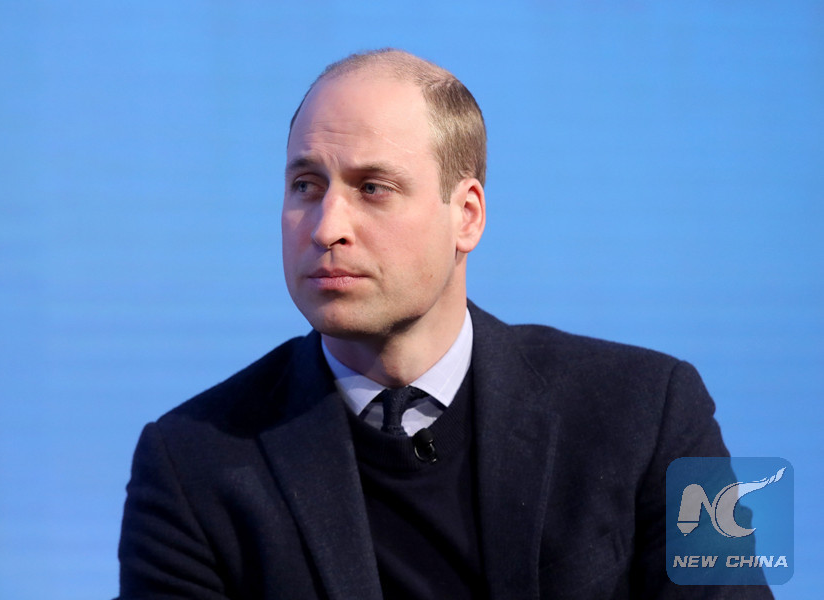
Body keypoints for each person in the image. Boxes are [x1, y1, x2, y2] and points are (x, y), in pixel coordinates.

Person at [117, 49, 773, 599]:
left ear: (467, 216)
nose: (326, 227)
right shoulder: (191, 463)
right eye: (306, 186)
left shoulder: (655, 410)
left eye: (373, 188)